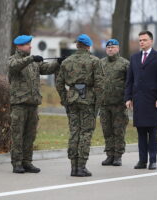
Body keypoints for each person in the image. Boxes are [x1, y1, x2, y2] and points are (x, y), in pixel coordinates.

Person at [8, 35, 62, 173]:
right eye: (27, 45)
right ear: (19, 46)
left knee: (30, 136)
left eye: (30, 44)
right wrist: (31, 58)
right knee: (17, 135)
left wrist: (58, 63)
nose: (30, 47)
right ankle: (17, 163)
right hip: (19, 105)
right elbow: (14, 67)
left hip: (33, 105)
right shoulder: (13, 60)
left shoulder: (34, 63)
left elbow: (47, 68)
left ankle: (27, 162)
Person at [56, 34, 102, 177]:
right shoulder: (95, 61)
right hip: (87, 99)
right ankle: (81, 166)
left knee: (74, 131)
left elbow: (59, 83)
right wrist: (97, 105)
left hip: (72, 99)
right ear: (88, 46)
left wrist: (65, 99)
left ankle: (73, 167)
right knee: (86, 132)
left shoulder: (67, 61)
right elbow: (100, 85)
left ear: (77, 45)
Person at [124, 31, 157, 170]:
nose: (141, 42)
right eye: (140, 40)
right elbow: (129, 80)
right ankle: (142, 161)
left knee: (152, 133)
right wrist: (128, 98)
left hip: (153, 101)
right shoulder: (134, 58)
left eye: (144, 40)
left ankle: (153, 160)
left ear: (151, 41)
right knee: (141, 132)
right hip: (138, 101)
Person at [99, 39, 129, 166]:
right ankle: (109, 155)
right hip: (104, 104)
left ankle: (118, 156)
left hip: (119, 104)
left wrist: (128, 99)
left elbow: (130, 84)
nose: (110, 49)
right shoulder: (101, 63)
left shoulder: (125, 64)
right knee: (107, 130)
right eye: (108, 48)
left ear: (118, 48)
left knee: (119, 130)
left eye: (113, 47)